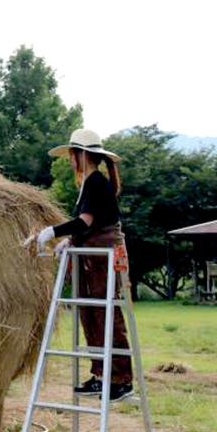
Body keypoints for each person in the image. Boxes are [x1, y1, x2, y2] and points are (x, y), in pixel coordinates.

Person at [26, 129, 134, 402]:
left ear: (81, 155)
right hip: (91, 256)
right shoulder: (89, 183)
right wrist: (71, 241)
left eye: (72, 154)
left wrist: (52, 232)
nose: (70, 160)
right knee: (90, 316)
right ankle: (101, 375)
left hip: (104, 257)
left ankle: (121, 379)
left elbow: (86, 222)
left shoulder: (96, 182)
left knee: (107, 316)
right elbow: (88, 225)